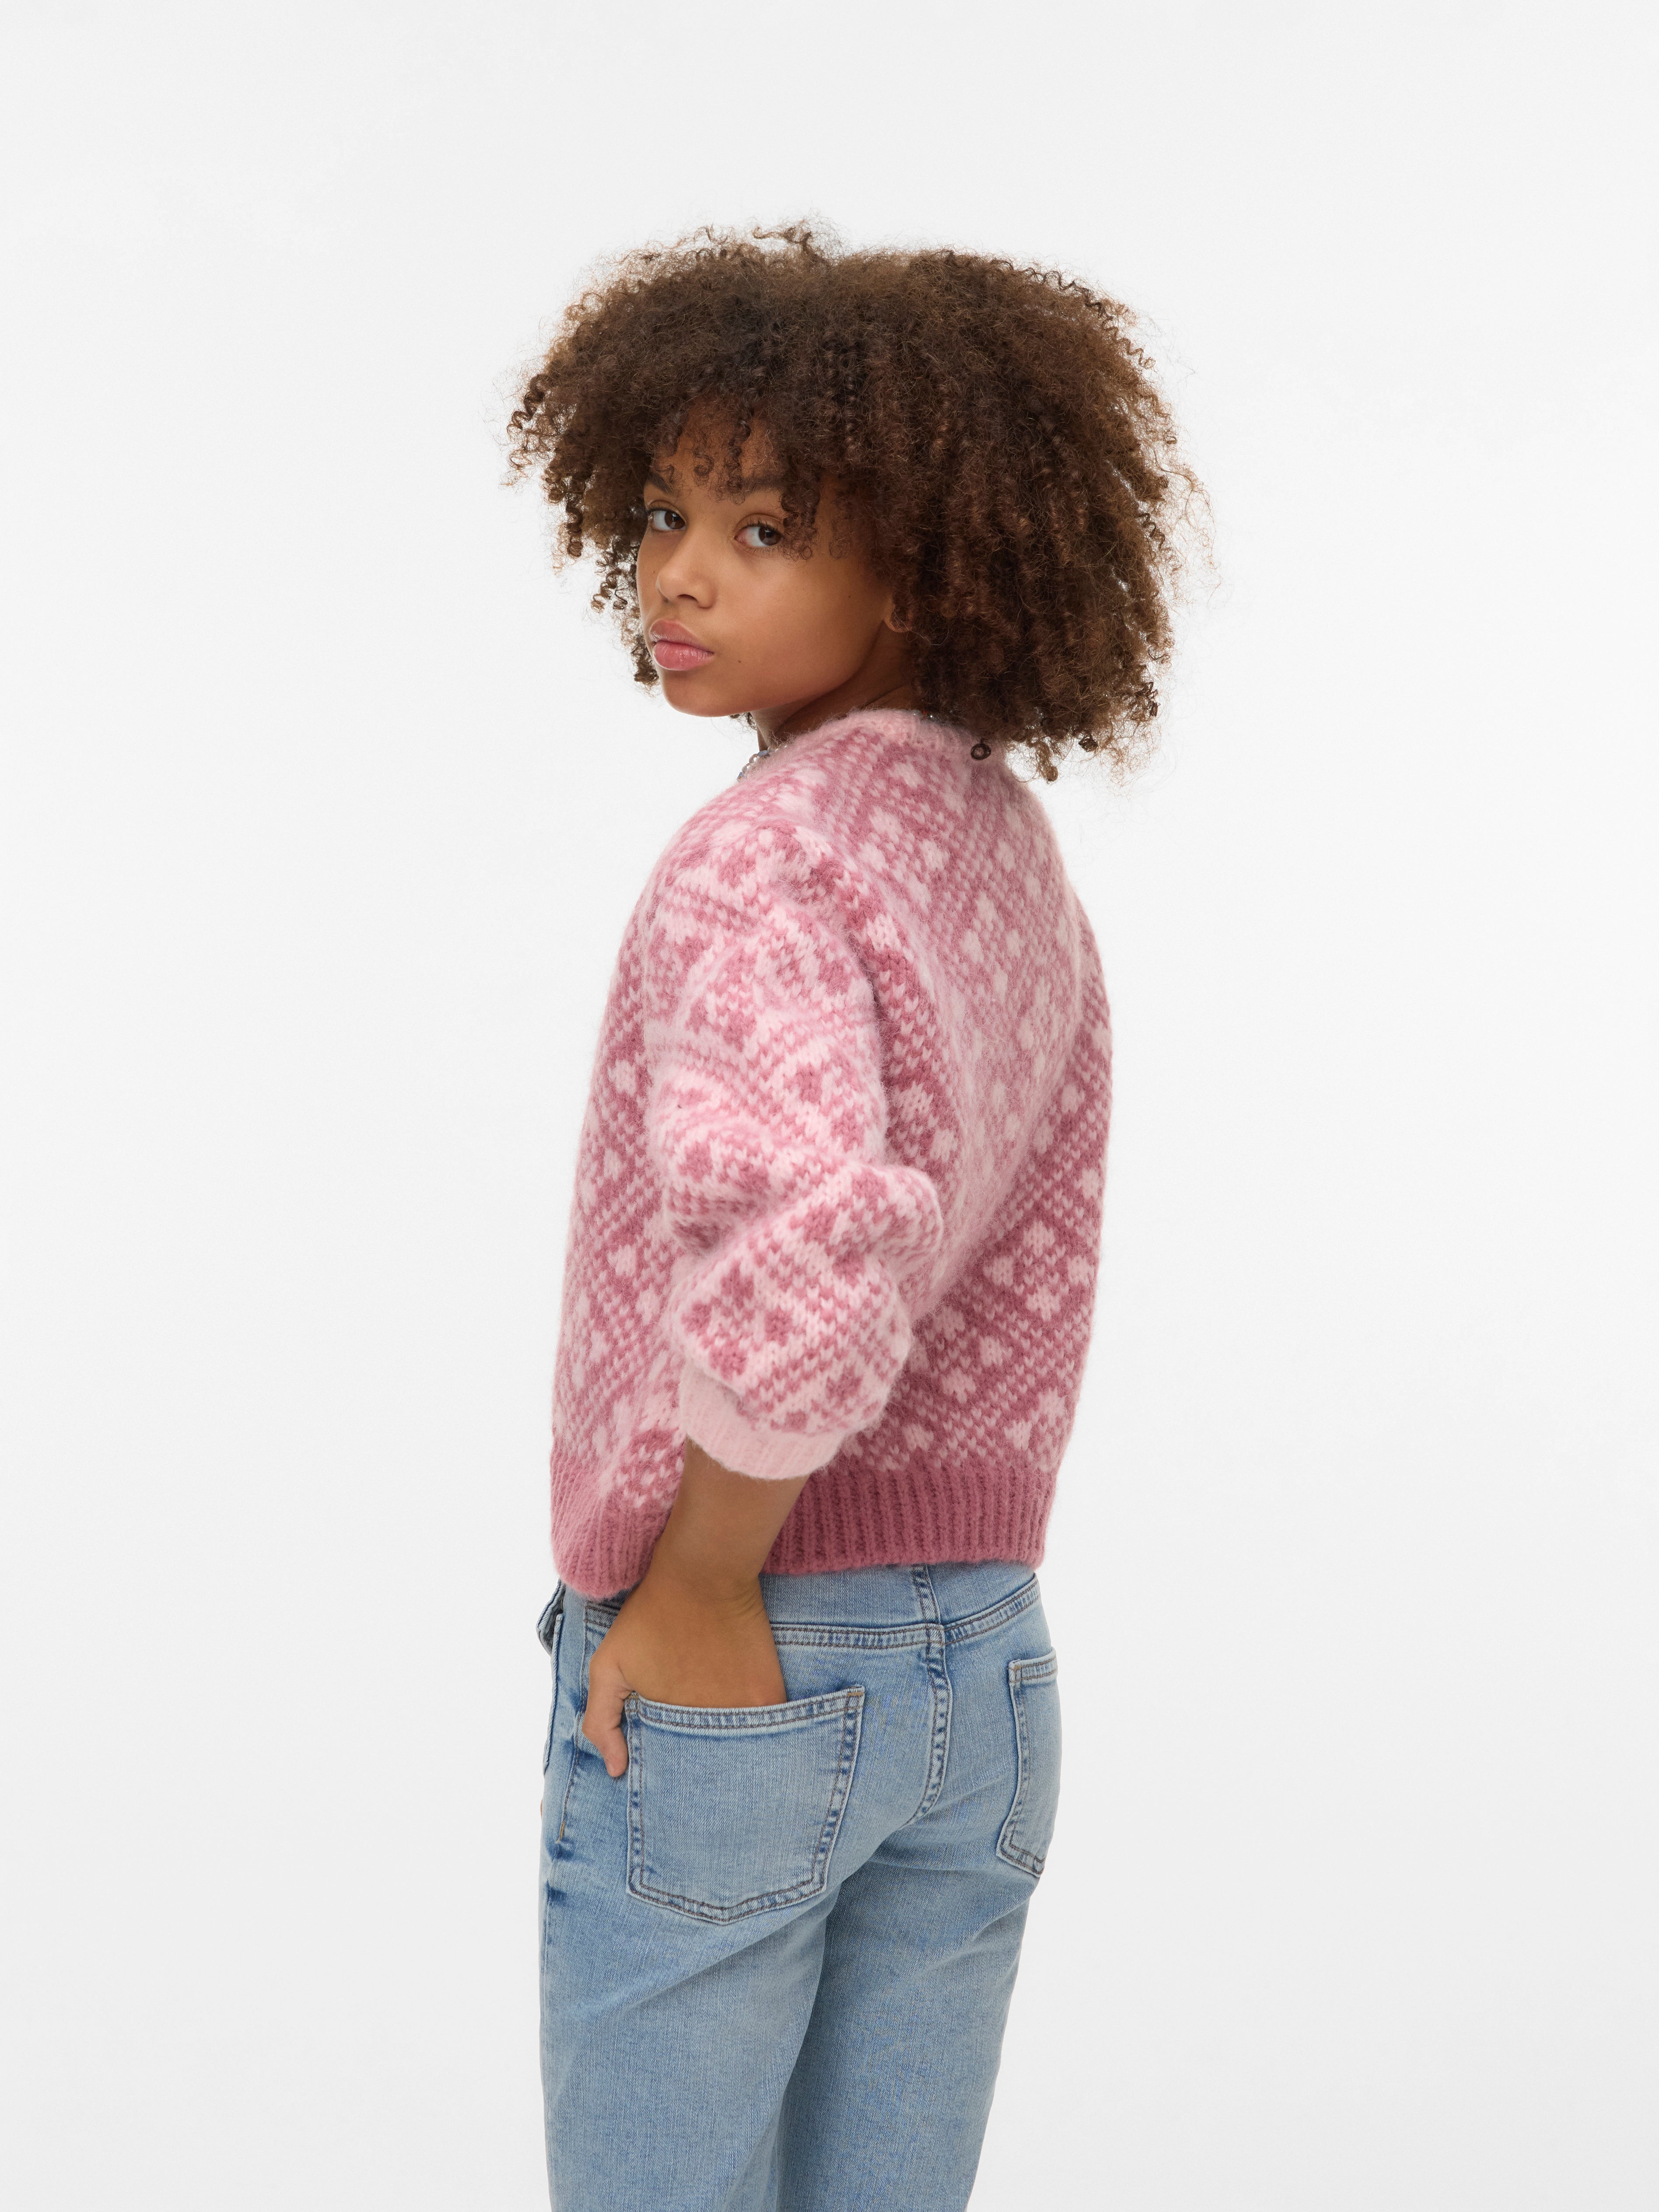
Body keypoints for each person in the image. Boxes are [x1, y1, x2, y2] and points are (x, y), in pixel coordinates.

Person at [506, 224, 1196, 2212]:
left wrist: (702, 1578)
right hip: (983, 1663)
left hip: (757, 1637)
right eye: (662, 513)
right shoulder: (995, 840)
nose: (678, 572)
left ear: (928, 565)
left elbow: (812, 1252)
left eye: (762, 528)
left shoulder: (764, 860)